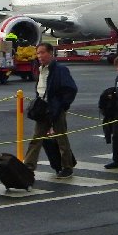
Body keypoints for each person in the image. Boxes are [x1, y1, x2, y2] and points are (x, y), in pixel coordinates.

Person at [24, 43, 77, 178]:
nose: (40, 56)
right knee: (36, 139)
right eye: (38, 53)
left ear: (50, 53)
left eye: (42, 53)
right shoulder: (41, 69)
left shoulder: (60, 70)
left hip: (56, 109)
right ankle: (28, 167)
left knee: (61, 139)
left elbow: (71, 89)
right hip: (43, 109)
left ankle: (67, 167)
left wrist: (62, 106)